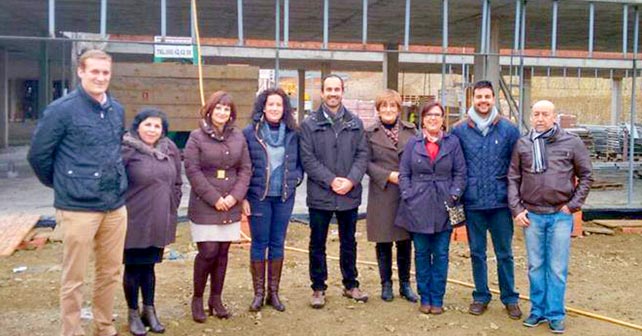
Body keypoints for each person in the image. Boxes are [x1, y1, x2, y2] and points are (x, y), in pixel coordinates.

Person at [27, 49, 128, 336]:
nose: (100, 77)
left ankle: (103, 325)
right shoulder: (61, 110)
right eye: (94, 71)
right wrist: (63, 183)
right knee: (74, 276)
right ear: (81, 72)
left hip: (114, 205)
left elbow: (114, 150)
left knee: (110, 272)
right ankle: (71, 331)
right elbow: (38, 155)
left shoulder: (116, 110)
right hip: (78, 207)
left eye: (105, 72)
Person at [508, 100, 593, 334]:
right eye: (536, 114)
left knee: (556, 268)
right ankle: (537, 311)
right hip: (532, 216)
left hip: (560, 216)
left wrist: (573, 205)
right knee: (535, 266)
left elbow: (586, 175)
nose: (540, 118)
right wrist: (517, 209)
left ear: (554, 117)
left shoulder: (572, 143)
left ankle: (555, 314)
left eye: (545, 114)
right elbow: (513, 178)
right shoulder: (523, 144)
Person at [451, 80, 522, 319]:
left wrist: (516, 200)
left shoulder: (509, 130)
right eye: (479, 97)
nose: (483, 101)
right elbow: (456, 166)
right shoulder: (459, 130)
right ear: (473, 99)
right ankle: (481, 296)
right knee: (477, 252)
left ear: (494, 99)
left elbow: (517, 166)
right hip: (473, 204)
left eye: (487, 97)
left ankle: (510, 298)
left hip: (501, 204)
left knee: (505, 253)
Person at [299, 74, 369, 308]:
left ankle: (351, 284)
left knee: (348, 241)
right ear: (322, 93)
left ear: (342, 92)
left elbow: (362, 155)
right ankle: (318, 288)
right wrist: (331, 180)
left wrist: (351, 180)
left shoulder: (355, 123)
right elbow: (307, 159)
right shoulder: (309, 125)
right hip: (321, 195)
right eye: (328, 89)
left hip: (349, 194)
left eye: (336, 89)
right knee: (317, 242)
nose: (332, 93)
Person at [183, 91, 251, 322]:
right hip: (206, 204)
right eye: (218, 108)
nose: (222, 113)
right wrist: (214, 198)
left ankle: (216, 298)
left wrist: (235, 197)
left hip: (231, 203)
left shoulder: (238, 137)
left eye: (227, 109)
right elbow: (192, 170)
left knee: (222, 252)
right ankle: (198, 298)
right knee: (208, 251)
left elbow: (245, 169)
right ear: (210, 110)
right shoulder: (196, 137)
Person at [395, 101, 466, 314]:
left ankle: (437, 299)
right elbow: (404, 172)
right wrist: (408, 194)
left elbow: (461, 174)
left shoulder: (453, 143)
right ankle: (424, 297)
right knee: (422, 254)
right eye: (428, 115)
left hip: (445, 205)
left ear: (443, 119)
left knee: (441, 254)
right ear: (422, 119)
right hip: (418, 206)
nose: (433, 118)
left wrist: (454, 194)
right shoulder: (413, 143)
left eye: (437, 115)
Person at [121, 108, 182, 335]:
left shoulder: (169, 149)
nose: (152, 130)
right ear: (137, 126)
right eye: (147, 124)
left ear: (163, 130)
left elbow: (177, 181)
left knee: (149, 267)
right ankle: (133, 313)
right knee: (133, 267)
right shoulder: (127, 150)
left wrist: (172, 204)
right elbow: (115, 182)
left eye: (157, 126)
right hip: (134, 219)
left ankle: (149, 309)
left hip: (159, 218)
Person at [242, 88, 303, 312]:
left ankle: (273, 294)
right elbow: (243, 166)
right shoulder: (250, 133)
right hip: (259, 197)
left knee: (277, 242)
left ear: (284, 108)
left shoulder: (293, 133)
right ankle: (258, 293)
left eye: (279, 104)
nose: (275, 108)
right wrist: (244, 197)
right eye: (271, 104)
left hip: (284, 197)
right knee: (260, 243)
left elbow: (300, 162)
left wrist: (296, 178)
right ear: (263, 107)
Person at [365, 89, 419, 303]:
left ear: (399, 109)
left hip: (407, 194)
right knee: (384, 241)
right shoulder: (369, 133)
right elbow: (365, 162)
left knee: (405, 241)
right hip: (382, 192)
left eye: (392, 106)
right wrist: (387, 175)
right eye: (384, 106)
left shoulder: (412, 131)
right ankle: (386, 283)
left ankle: (405, 284)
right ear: (378, 109)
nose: (388, 110)